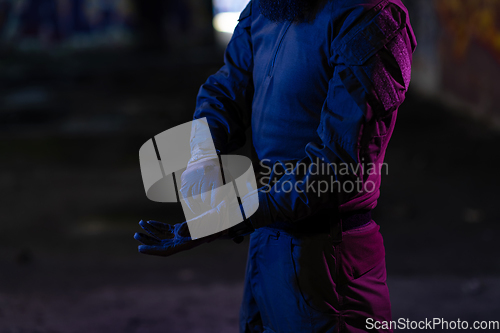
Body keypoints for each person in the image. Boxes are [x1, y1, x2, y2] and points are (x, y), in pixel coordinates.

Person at [135, 0, 417, 331]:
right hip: (265, 242)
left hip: (328, 263)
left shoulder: (371, 17)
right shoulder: (267, 8)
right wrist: (202, 153)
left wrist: (227, 215)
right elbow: (226, 89)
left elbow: (337, 167)